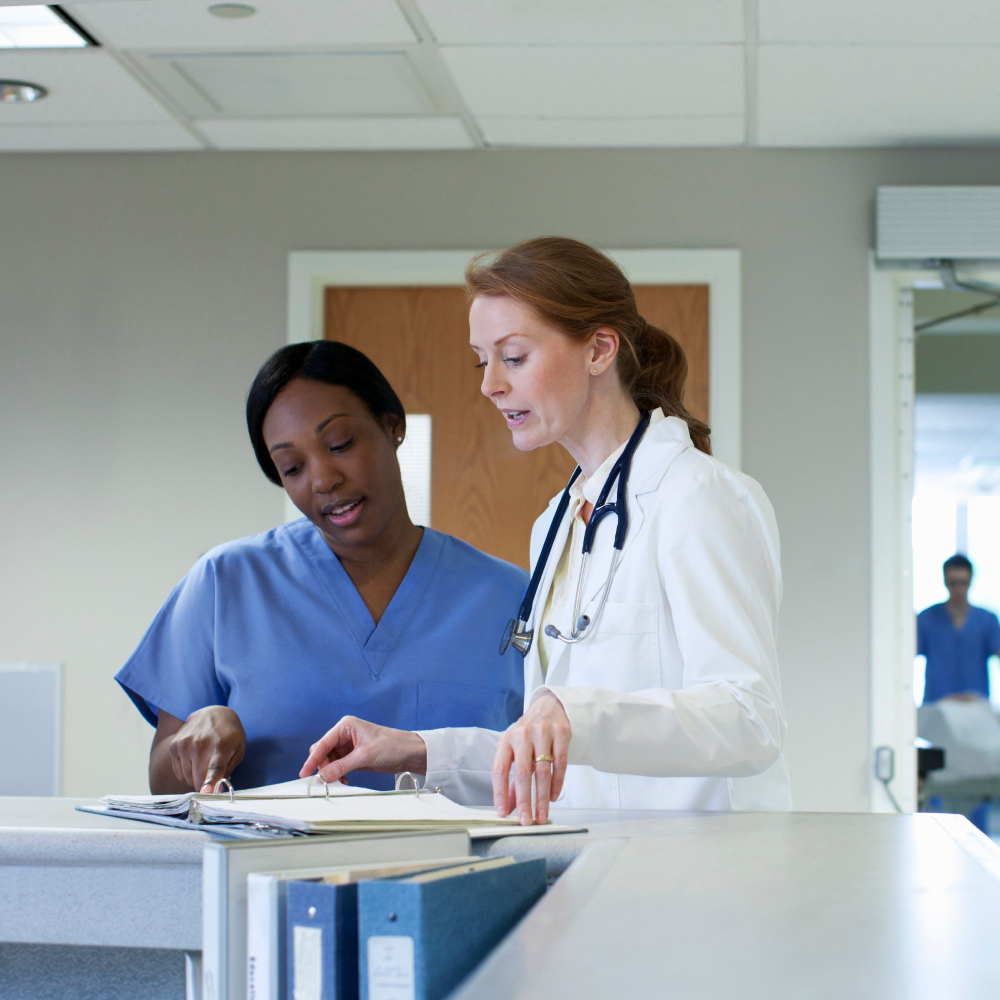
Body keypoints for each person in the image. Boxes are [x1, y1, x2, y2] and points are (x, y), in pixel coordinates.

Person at [299, 236, 792, 824]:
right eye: (483, 361)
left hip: (697, 883)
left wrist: (574, 715)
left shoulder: (697, 497)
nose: (489, 385)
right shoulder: (556, 524)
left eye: (513, 356)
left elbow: (750, 718)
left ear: (599, 350)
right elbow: (555, 752)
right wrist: (421, 750)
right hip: (590, 872)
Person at [116, 341, 526, 793]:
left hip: (467, 864)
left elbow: (555, 766)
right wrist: (205, 729)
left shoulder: (508, 598)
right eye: (292, 468)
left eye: (340, 444)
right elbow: (164, 786)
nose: (323, 479)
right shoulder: (226, 583)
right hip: (272, 862)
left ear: (393, 426)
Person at [918, 554, 1000, 704]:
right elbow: (902, 659)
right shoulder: (926, 618)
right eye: (952, 583)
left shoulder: (987, 620)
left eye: (963, 583)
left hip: (976, 704)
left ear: (971, 582)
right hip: (936, 705)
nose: (958, 589)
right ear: (944, 581)